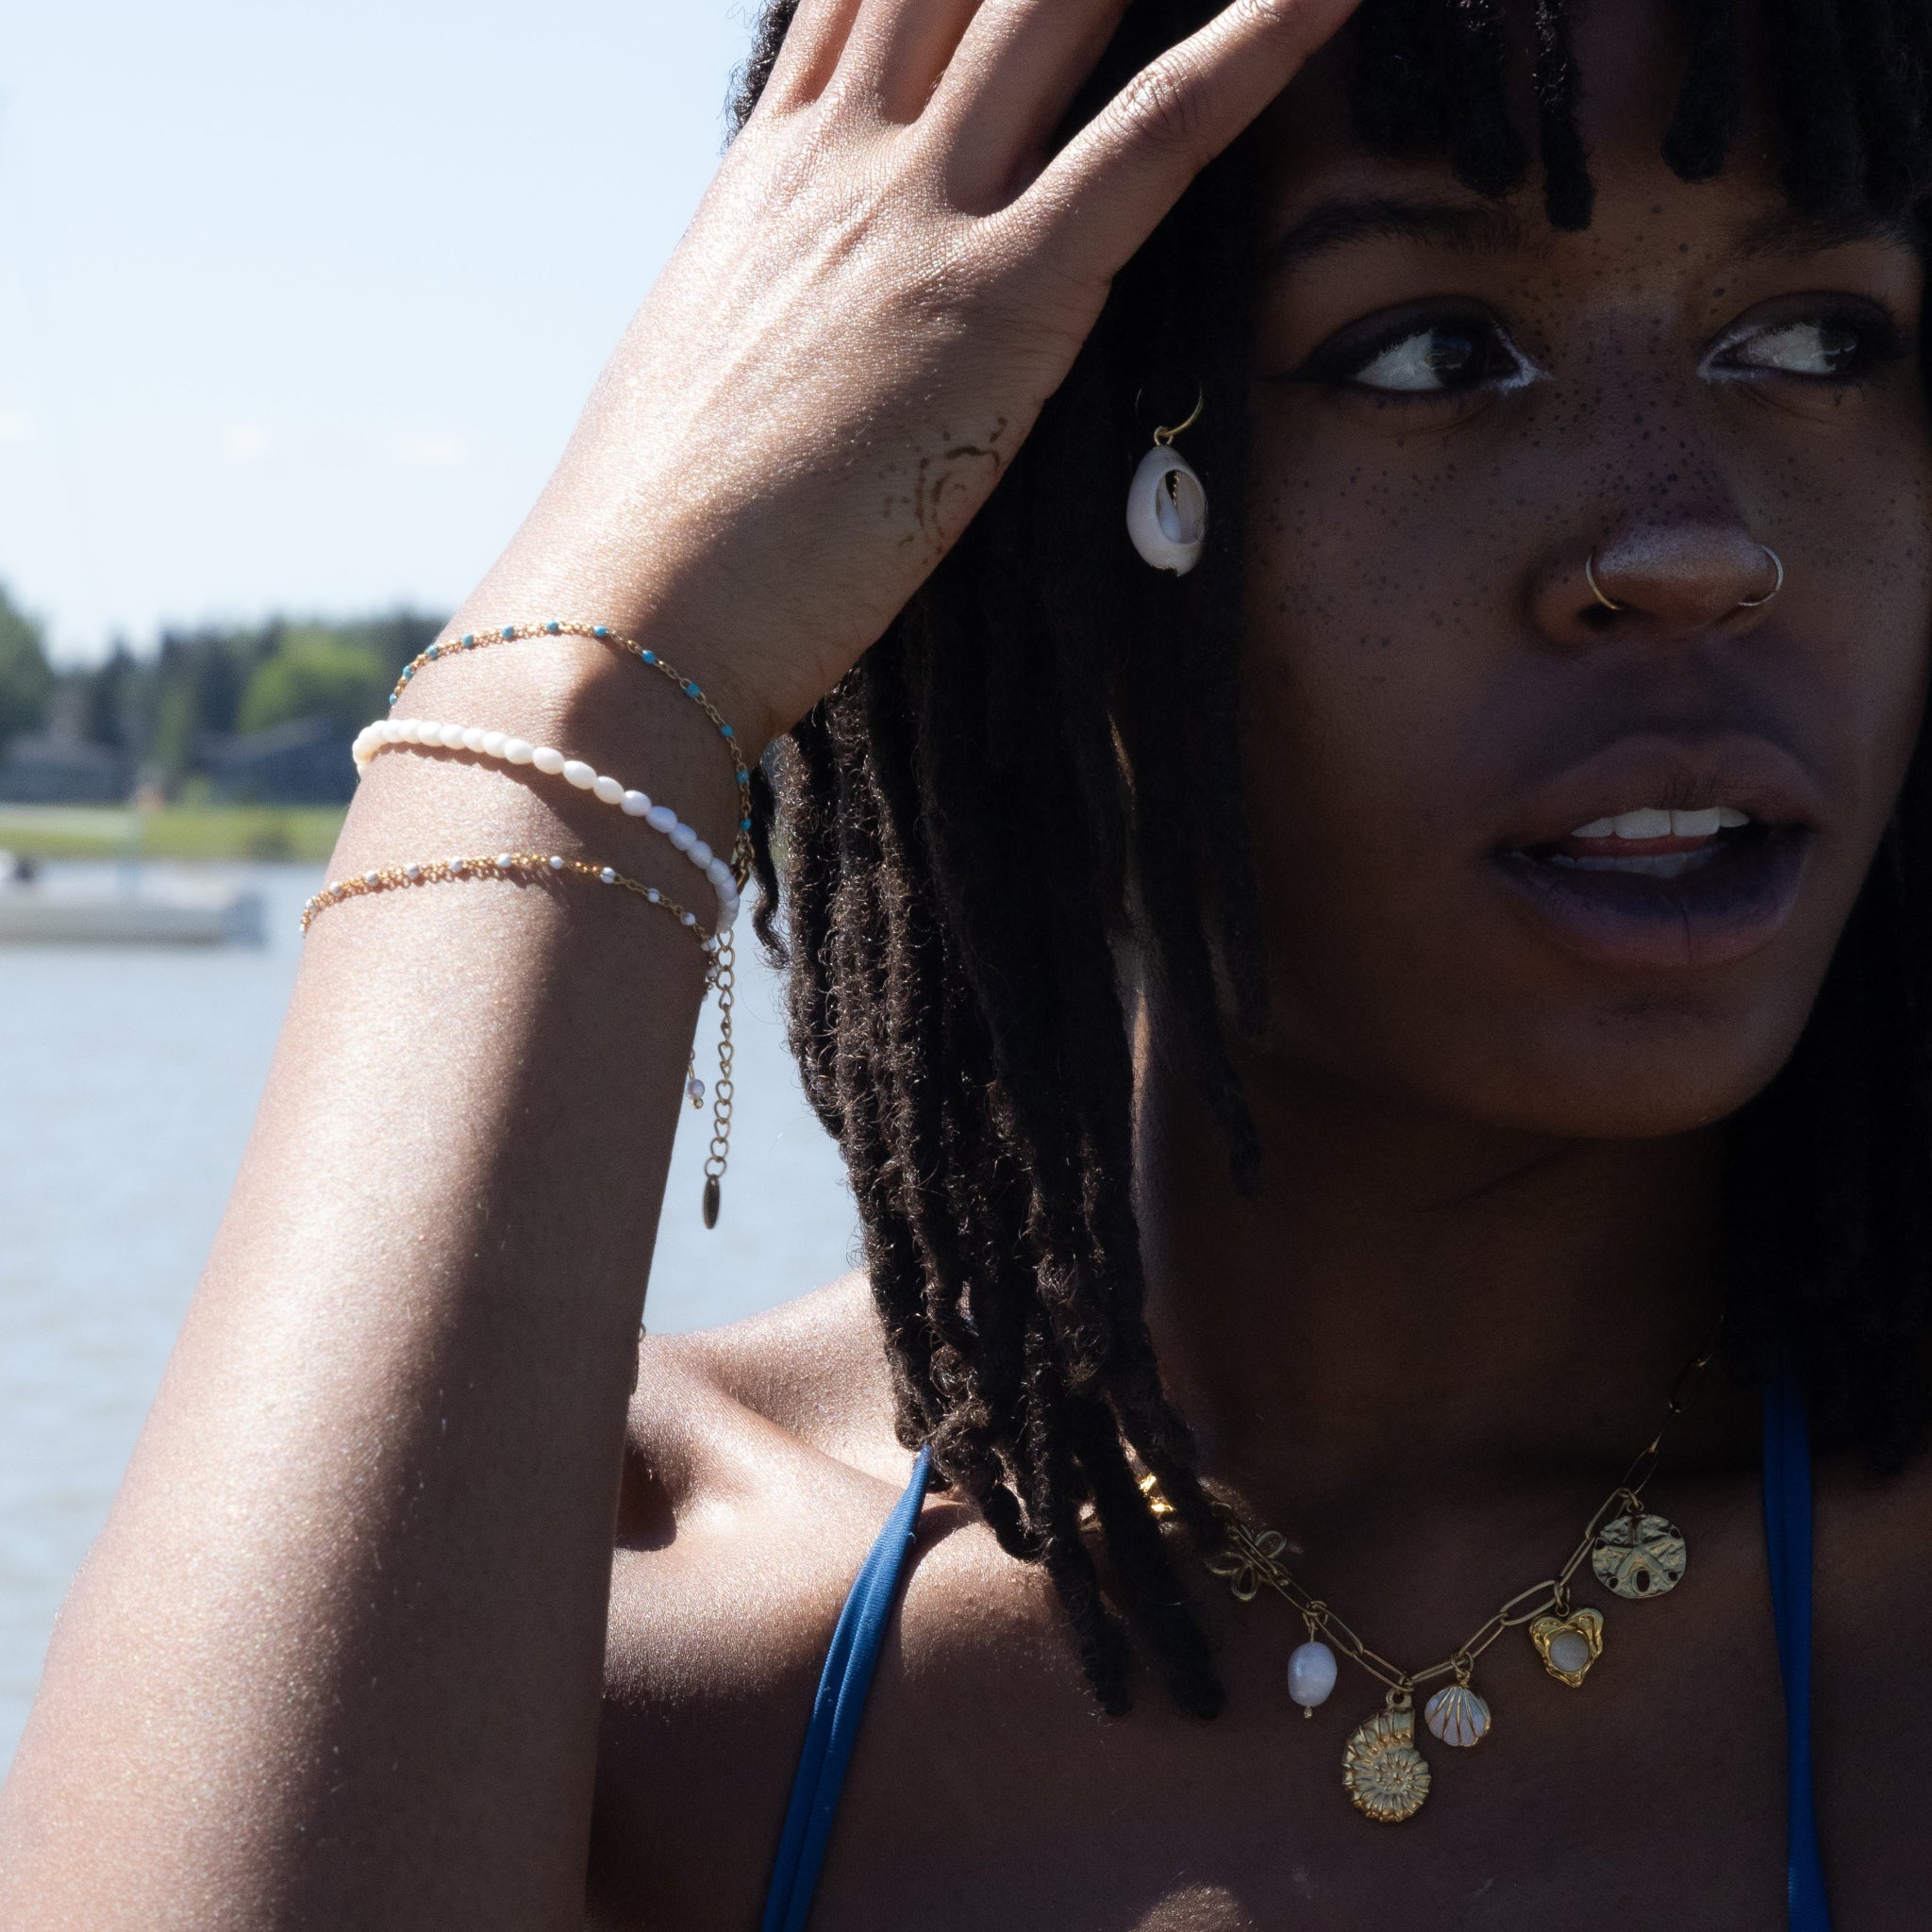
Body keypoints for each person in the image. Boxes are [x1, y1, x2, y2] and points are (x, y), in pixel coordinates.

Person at [3, 0, 1928, 1922]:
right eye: (1431, 352)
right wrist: (591, 687)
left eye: (1819, 340)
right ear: (1006, 503)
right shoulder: (584, 1621)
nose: (1693, 545)